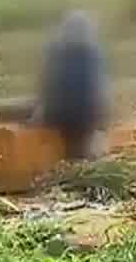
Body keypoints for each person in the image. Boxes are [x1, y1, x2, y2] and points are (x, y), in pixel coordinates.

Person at [36, 10, 109, 161]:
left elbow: (47, 84)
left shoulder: (58, 50)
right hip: (74, 114)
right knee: (79, 149)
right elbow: (98, 89)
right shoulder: (91, 52)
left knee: (75, 148)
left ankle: (77, 159)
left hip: (71, 113)